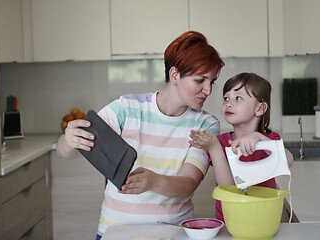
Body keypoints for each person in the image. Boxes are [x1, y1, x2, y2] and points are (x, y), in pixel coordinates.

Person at [56, 31, 224, 239]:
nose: (208, 90)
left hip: (173, 234)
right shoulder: (126, 109)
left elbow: (188, 183)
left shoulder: (205, 125)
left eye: (212, 82)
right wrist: (68, 140)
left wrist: (153, 182)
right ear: (174, 75)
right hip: (115, 232)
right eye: (200, 80)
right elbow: (67, 152)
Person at [189, 72, 294, 222]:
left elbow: (288, 161)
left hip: (264, 219)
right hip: (230, 221)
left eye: (238, 98)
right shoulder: (220, 142)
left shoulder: (269, 139)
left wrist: (259, 138)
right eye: (226, 98)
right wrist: (213, 147)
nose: (228, 103)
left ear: (260, 108)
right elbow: (227, 186)